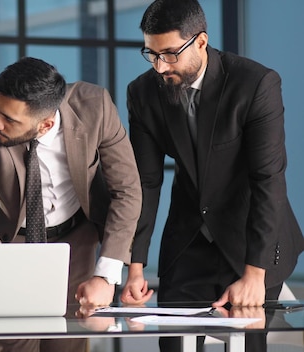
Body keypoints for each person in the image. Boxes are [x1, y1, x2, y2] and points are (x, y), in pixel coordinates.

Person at [121, 0, 304, 351]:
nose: (160, 67)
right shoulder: (142, 93)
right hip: (189, 237)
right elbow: (146, 182)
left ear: (201, 42)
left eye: (170, 54)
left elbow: (268, 180)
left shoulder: (256, 84)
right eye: (151, 54)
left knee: (247, 345)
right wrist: (135, 264)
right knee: (172, 343)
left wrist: (255, 273)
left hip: (251, 237)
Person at [0, 56, 142, 352]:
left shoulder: (96, 107)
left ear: (44, 124)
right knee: (14, 344)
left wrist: (106, 275)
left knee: (66, 342)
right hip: (10, 245)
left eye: (10, 120)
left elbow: (127, 190)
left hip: (75, 241)